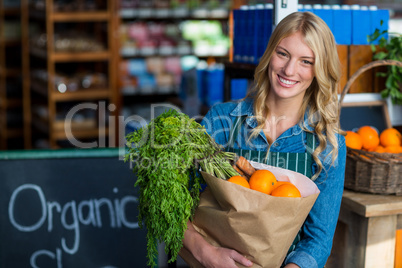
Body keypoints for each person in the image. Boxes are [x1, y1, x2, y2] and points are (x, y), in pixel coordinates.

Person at [182, 11, 346, 268]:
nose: (289, 70)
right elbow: (175, 208)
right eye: (283, 54)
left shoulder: (326, 144)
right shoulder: (222, 122)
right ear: (270, 54)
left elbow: (318, 239)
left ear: (319, 70)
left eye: (306, 61)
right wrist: (207, 254)